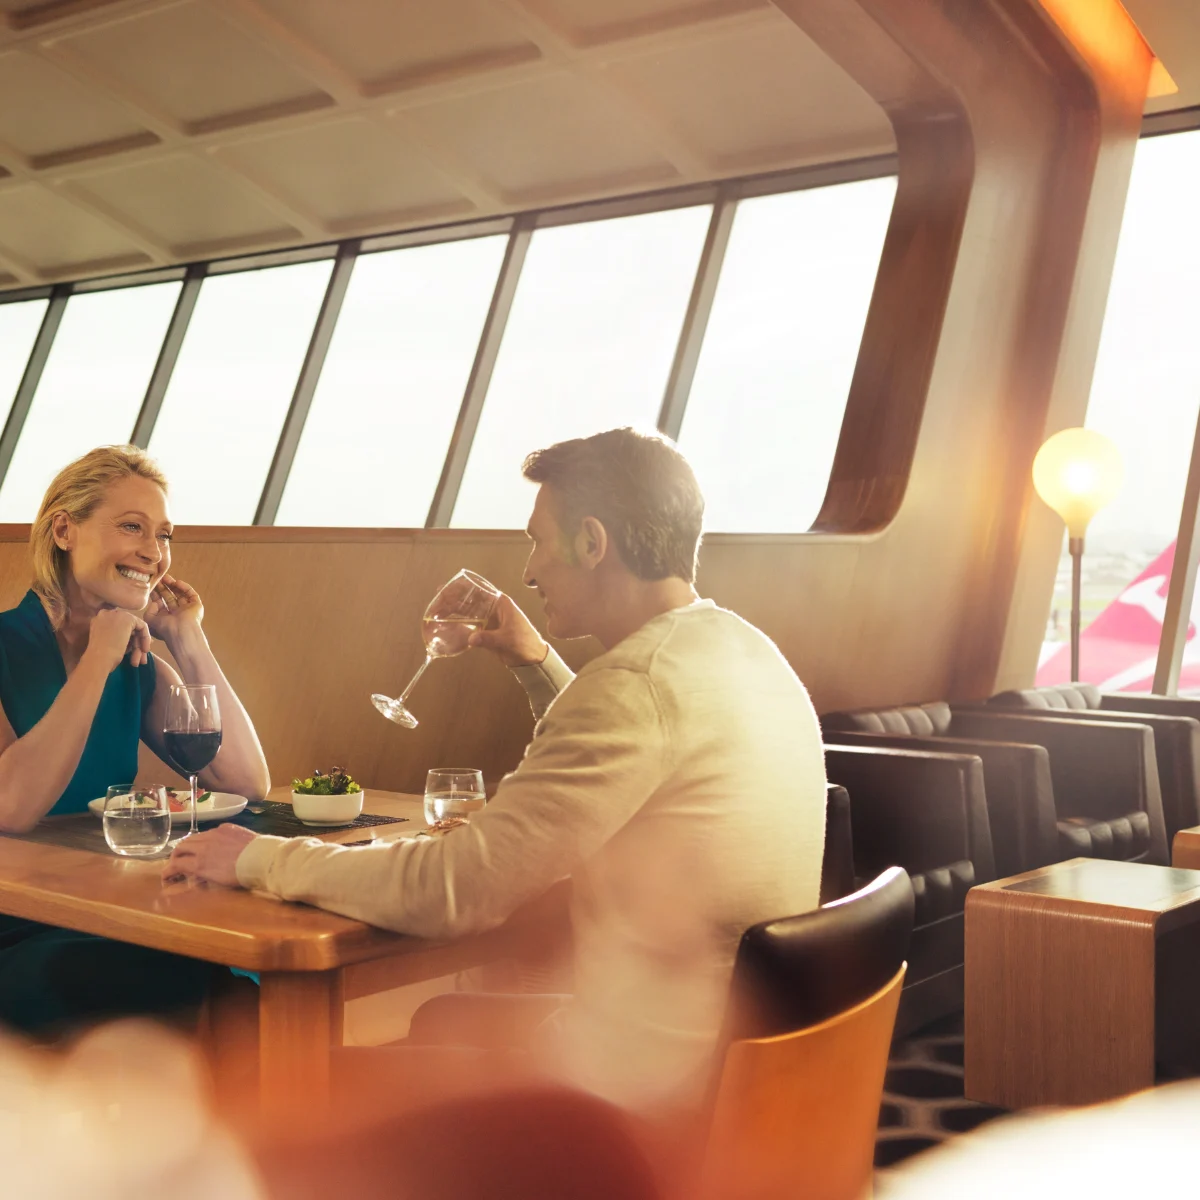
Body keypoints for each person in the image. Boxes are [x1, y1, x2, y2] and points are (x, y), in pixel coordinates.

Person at [167, 427, 826, 1114]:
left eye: (539, 541)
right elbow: (631, 749)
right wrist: (532, 660)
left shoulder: (635, 684)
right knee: (443, 1021)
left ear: (592, 542)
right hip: (746, 1072)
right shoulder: (744, 651)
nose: (531, 572)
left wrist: (258, 858)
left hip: (634, 1102)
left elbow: (455, 889)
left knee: (309, 1091)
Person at [0, 445, 270, 1033]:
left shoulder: (138, 662)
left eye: (164, 535)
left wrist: (188, 639)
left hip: (107, 911)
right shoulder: (9, 647)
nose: (155, 552)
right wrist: (97, 659)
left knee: (236, 978)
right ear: (64, 531)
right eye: (132, 527)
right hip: (20, 925)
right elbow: (12, 807)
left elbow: (246, 780)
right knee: (199, 978)